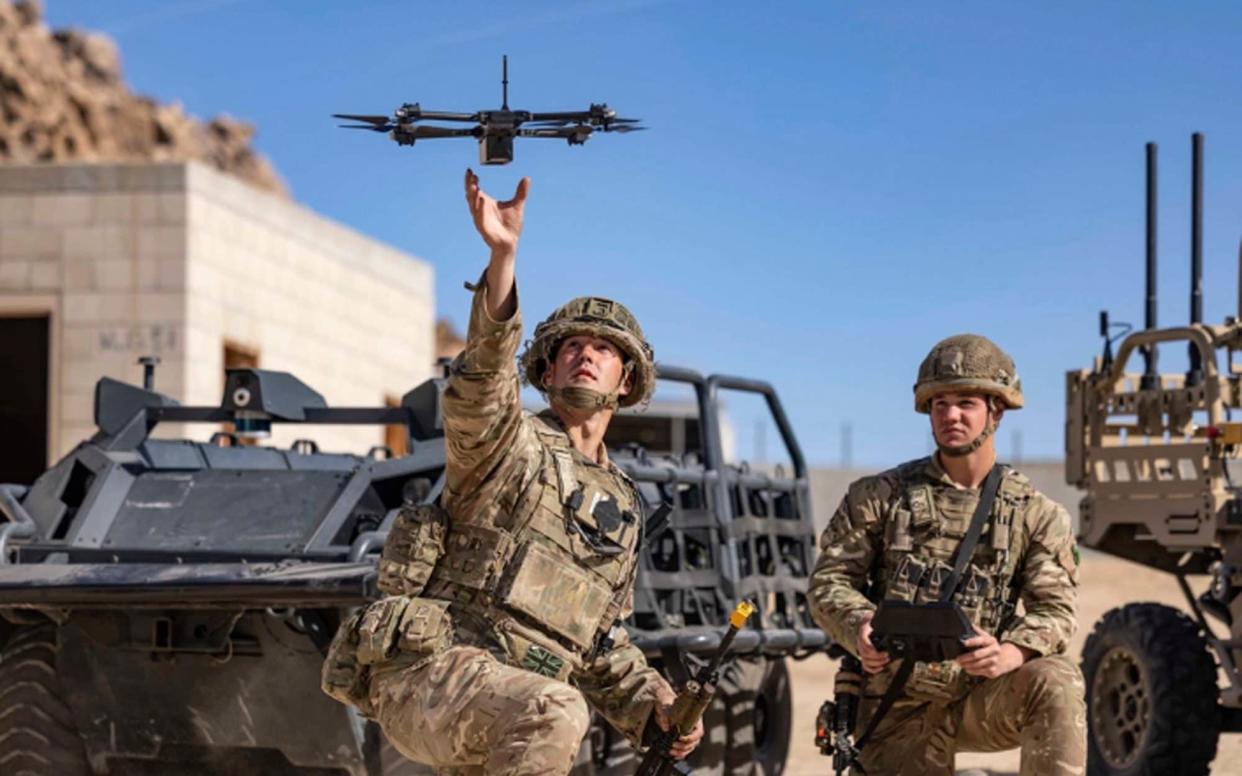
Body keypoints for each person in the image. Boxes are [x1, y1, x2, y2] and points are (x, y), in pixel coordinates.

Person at [322, 171, 702, 775]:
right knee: (555, 711)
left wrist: (652, 701)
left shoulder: (624, 507)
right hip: (434, 673)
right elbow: (482, 385)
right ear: (547, 374)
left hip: (513, 695)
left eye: (604, 350)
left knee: (551, 707)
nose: (586, 354)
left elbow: (601, 643)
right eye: (570, 347)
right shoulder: (509, 445)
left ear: (625, 383)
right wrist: (503, 257)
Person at [808, 334, 1086, 776]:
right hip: (894, 703)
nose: (951, 415)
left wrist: (1012, 652)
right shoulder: (879, 497)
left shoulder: (1036, 513)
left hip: (981, 698)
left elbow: (1057, 610)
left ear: (996, 410)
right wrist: (860, 625)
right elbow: (828, 582)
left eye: (966, 402)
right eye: (939, 404)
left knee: (1056, 678)